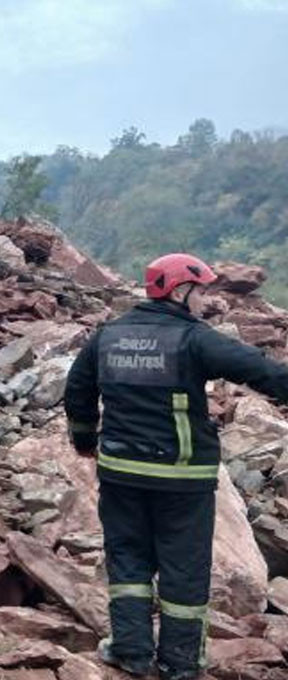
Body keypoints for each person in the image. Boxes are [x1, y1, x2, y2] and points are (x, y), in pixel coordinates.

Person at [64, 252, 288, 680]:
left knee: (127, 560)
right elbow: (259, 371)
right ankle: (180, 663)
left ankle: (130, 651)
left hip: (121, 473)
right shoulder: (194, 339)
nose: (205, 301)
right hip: (182, 480)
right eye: (201, 291)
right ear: (179, 290)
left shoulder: (108, 335)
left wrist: (84, 441)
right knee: (183, 568)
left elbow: (78, 389)